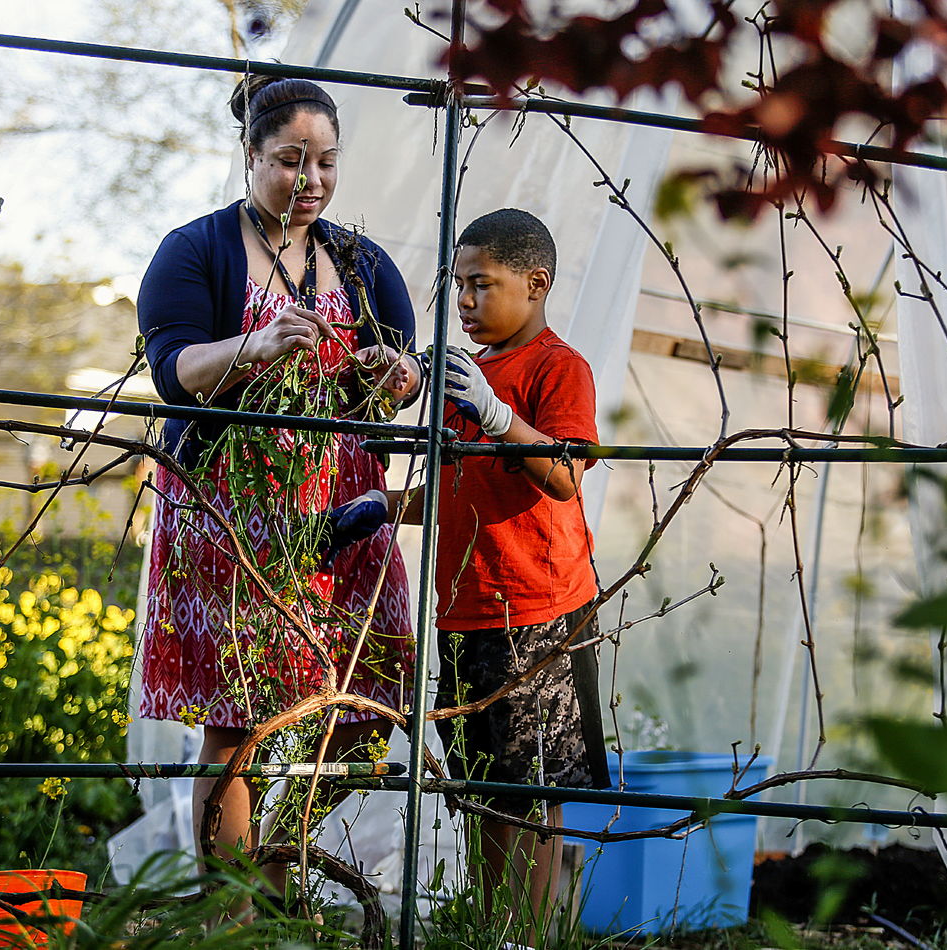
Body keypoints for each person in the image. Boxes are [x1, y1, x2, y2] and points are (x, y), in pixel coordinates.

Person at [135, 75, 415, 882]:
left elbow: (399, 375)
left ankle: (268, 857)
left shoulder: (359, 262)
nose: (313, 179)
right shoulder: (196, 249)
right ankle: (233, 915)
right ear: (250, 154)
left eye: (327, 161)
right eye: (292, 160)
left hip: (343, 511)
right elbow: (173, 368)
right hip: (232, 508)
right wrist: (253, 349)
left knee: (373, 695)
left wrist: (397, 376)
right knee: (239, 721)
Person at [366, 208, 608, 941]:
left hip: (537, 610)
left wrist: (500, 417)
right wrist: (380, 506)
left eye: (482, 285)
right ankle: (490, 927)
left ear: (534, 284)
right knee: (478, 785)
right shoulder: (468, 377)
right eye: (459, 286)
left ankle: (524, 936)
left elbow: (564, 476)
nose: (465, 302)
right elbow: (455, 493)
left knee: (527, 791)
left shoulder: (556, 368)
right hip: (467, 609)